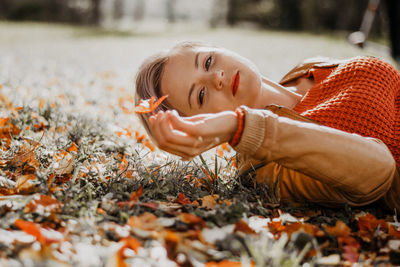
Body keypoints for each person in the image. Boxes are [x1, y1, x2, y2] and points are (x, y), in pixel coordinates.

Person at [135, 42, 400, 211]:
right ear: (197, 125)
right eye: (201, 96)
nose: (216, 77)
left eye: (207, 61)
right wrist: (241, 126)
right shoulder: (264, 167)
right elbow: (381, 169)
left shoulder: (307, 68)